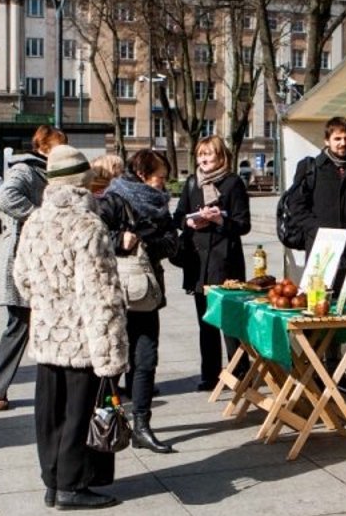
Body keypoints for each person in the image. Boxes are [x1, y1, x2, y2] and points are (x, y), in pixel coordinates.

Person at [13, 144, 128, 510]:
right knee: (79, 412)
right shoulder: (88, 224)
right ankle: (72, 487)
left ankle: (53, 482)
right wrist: (111, 353)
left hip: (48, 333)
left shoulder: (35, 220)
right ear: (84, 184)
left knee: (50, 412)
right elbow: (102, 293)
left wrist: (50, 303)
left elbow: (22, 279)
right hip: (82, 336)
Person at [284, 116, 346, 388]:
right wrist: (318, 231)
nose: (342, 143)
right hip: (321, 251)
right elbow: (296, 206)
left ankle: (335, 369)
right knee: (317, 310)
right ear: (327, 140)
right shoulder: (310, 167)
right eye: (337, 138)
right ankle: (313, 368)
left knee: (338, 311)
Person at [96, 150, 180, 453]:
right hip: (116, 294)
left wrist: (146, 241)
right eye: (160, 177)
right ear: (143, 174)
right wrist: (120, 240)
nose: (164, 185)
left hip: (146, 291)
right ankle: (105, 421)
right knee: (113, 361)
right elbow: (94, 236)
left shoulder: (159, 204)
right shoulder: (114, 199)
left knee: (146, 360)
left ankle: (142, 426)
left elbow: (172, 243)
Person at [0, 125, 67, 411]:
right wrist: (39, 217)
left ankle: (58, 390)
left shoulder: (58, 172)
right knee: (19, 324)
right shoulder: (26, 169)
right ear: (43, 148)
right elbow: (4, 198)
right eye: (57, 147)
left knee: (53, 324)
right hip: (23, 259)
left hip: (50, 260)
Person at [173, 135, 251, 391]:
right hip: (198, 262)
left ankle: (239, 372)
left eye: (209, 155)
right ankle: (210, 374)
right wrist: (189, 222)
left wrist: (219, 221)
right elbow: (178, 216)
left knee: (228, 320)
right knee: (205, 321)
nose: (204, 159)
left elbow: (243, 224)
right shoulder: (192, 182)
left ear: (221, 157)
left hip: (224, 261)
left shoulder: (233, 183)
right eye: (201, 155)